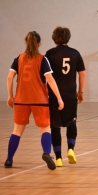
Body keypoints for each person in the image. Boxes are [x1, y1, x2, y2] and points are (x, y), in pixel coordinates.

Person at [4, 31, 64, 170]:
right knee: (45, 129)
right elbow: (50, 79)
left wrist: (10, 96)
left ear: (26, 43)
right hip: (40, 100)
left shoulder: (18, 59)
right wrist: (59, 98)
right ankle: (46, 153)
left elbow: (9, 78)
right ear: (39, 44)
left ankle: (9, 159)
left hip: (20, 100)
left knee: (17, 131)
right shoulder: (42, 59)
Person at [45, 27, 86, 167]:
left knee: (55, 126)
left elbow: (46, 76)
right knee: (71, 122)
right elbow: (82, 74)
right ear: (68, 37)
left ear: (54, 37)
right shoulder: (75, 53)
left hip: (54, 96)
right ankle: (70, 149)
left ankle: (58, 158)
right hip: (70, 95)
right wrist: (80, 92)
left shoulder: (49, 54)